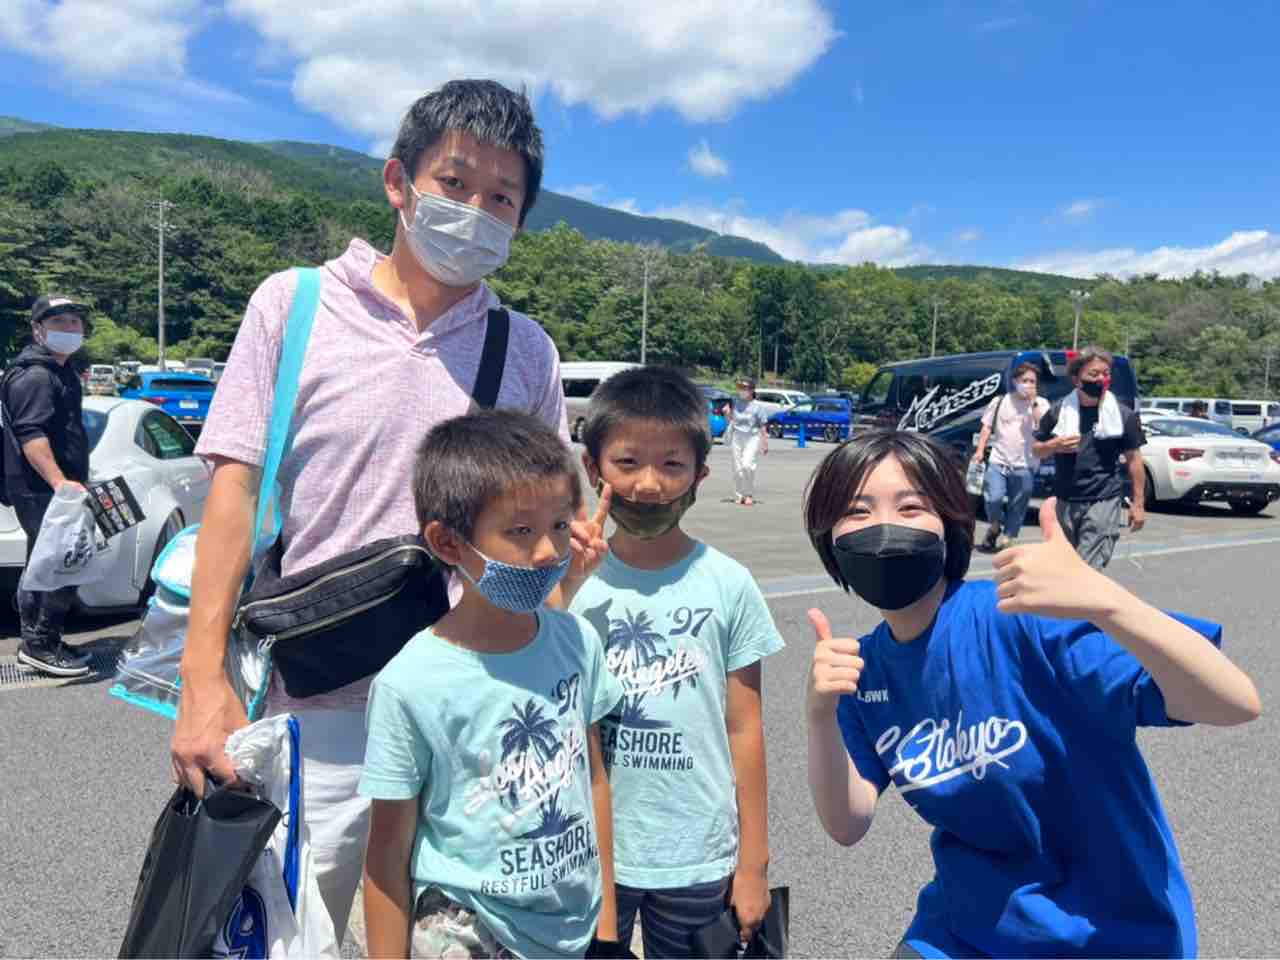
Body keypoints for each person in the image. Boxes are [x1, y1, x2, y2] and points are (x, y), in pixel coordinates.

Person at [170, 80, 567, 942]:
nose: (475, 211)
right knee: (281, 937)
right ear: (398, 182)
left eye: (501, 198)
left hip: (471, 710)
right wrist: (201, 682)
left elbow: (547, 535)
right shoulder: (295, 305)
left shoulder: (526, 351)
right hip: (311, 704)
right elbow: (234, 493)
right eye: (454, 183)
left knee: (460, 941)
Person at [802, 429, 1260, 958]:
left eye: (910, 507)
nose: (885, 529)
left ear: (950, 524)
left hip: (1112, 933)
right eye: (857, 512)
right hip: (962, 930)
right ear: (829, 538)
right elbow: (847, 823)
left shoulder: (1022, 618)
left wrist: (1107, 602)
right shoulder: (861, 671)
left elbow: (1233, 701)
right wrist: (819, 716)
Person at [360, 411, 623, 959]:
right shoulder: (410, 684)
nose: (549, 551)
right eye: (521, 531)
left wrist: (606, 925)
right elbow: (386, 853)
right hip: (469, 931)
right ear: (448, 543)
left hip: (573, 928)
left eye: (559, 525)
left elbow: (593, 778)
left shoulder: (577, 641)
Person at [564, 366, 784, 957]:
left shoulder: (729, 584)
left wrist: (753, 864)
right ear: (592, 469)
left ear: (700, 476)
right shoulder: (567, 582)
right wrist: (561, 585)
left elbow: (745, 726)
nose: (648, 484)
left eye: (671, 465)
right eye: (627, 462)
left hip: (695, 851)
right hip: (583, 851)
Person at [1, 294, 94, 677]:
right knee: (57, 564)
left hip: (56, 487)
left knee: (50, 561)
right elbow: (31, 435)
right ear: (37, 330)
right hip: (41, 488)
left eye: (74, 322)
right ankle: (37, 643)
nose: (69, 328)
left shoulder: (60, 370)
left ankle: (45, 638)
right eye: (58, 323)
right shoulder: (36, 376)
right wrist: (60, 483)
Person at [1030, 346, 1145, 569]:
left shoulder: (1123, 415)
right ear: (1076, 379)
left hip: (1103, 499)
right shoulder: (1059, 411)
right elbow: (1036, 450)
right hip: (1065, 501)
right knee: (1064, 566)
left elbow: (1134, 460)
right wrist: (1054, 445)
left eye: (1106, 374)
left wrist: (1138, 504)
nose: (1101, 379)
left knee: (1086, 568)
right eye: (1094, 374)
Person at [971, 361, 1050, 551]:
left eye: (1032, 381)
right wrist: (980, 450)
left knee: (1018, 504)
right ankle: (995, 525)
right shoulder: (1000, 401)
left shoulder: (1041, 404)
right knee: (993, 498)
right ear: (1015, 381)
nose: (1029, 385)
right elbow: (986, 427)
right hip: (998, 460)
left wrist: (1033, 403)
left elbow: (1043, 428)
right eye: (1025, 380)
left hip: (1026, 464)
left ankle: (1009, 537)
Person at [728, 377, 769, 506]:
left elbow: (763, 425)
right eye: (739, 388)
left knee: (747, 465)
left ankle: (748, 494)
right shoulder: (736, 403)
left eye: (744, 388)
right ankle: (739, 495)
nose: (741, 390)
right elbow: (732, 420)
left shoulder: (758, 406)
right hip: (737, 436)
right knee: (737, 468)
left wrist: (765, 442)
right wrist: (727, 414)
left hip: (752, 437)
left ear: (751, 390)